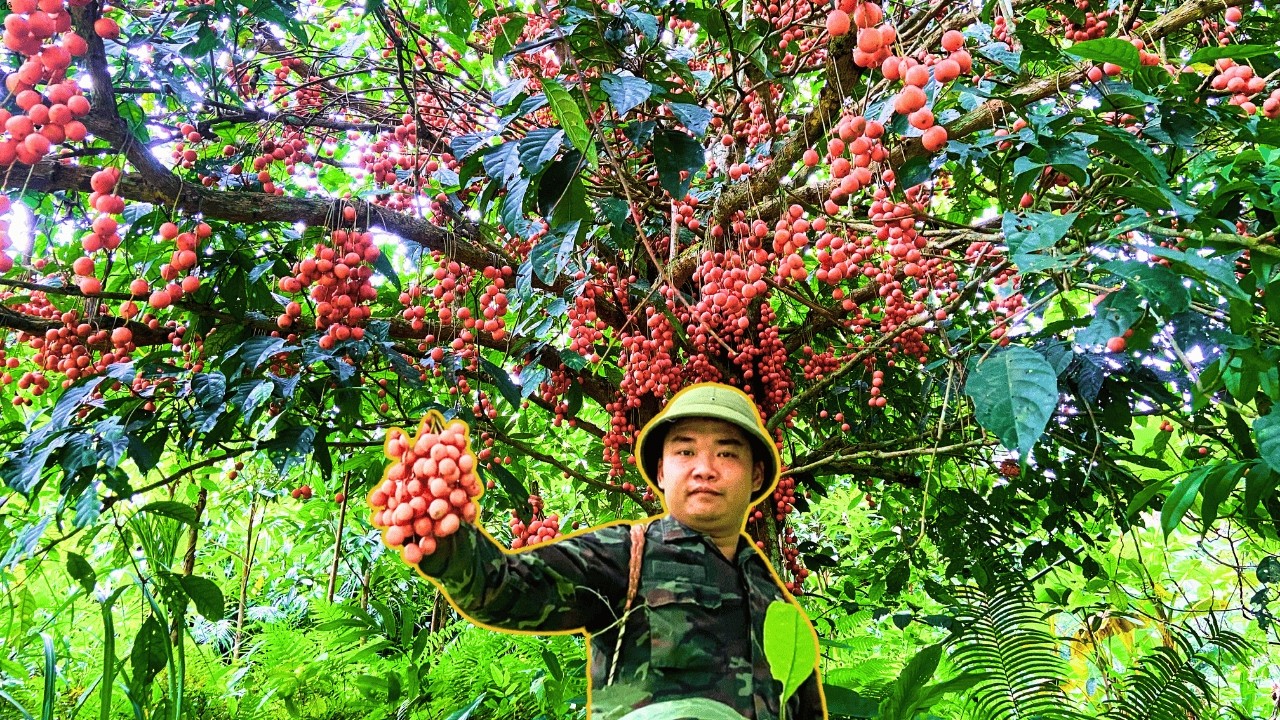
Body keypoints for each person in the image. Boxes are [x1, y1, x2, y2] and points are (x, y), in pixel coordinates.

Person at [415, 382, 828, 719]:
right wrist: (445, 537)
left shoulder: (775, 599)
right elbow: (501, 588)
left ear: (757, 475)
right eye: (685, 451)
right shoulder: (624, 554)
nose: (705, 467)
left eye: (727, 453)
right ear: (662, 472)